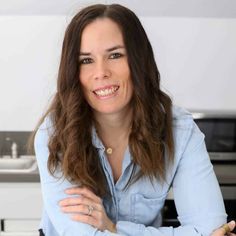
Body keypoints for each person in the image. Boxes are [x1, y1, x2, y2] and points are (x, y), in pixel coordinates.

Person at [33, 3, 235, 236]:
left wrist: (115, 228)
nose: (101, 72)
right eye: (86, 60)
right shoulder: (56, 134)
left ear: (139, 60)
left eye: (115, 55)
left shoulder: (179, 130)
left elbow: (211, 228)